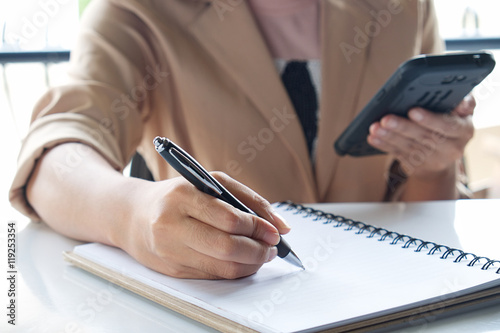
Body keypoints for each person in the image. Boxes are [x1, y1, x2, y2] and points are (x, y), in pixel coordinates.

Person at [9, 0, 475, 279]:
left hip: (389, 299)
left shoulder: (404, 7)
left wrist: (435, 164)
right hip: (227, 304)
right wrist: (133, 214)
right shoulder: (140, 12)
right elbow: (55, 156)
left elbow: (428, 211)